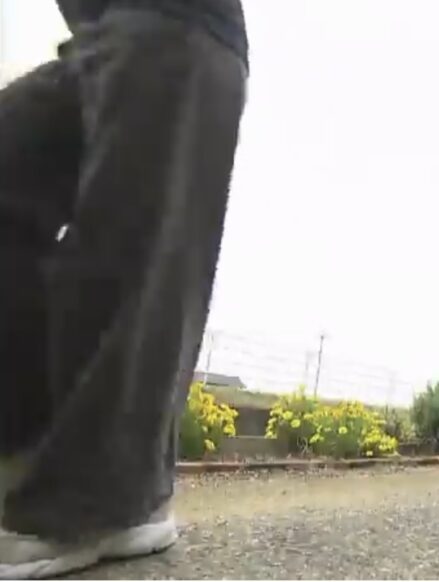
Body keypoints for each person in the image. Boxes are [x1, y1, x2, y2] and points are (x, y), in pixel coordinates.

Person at [0, 0, 247, 577]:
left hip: (176, 24)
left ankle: (100, 502)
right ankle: (27, 448)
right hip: (95, 46)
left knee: (124, 241)